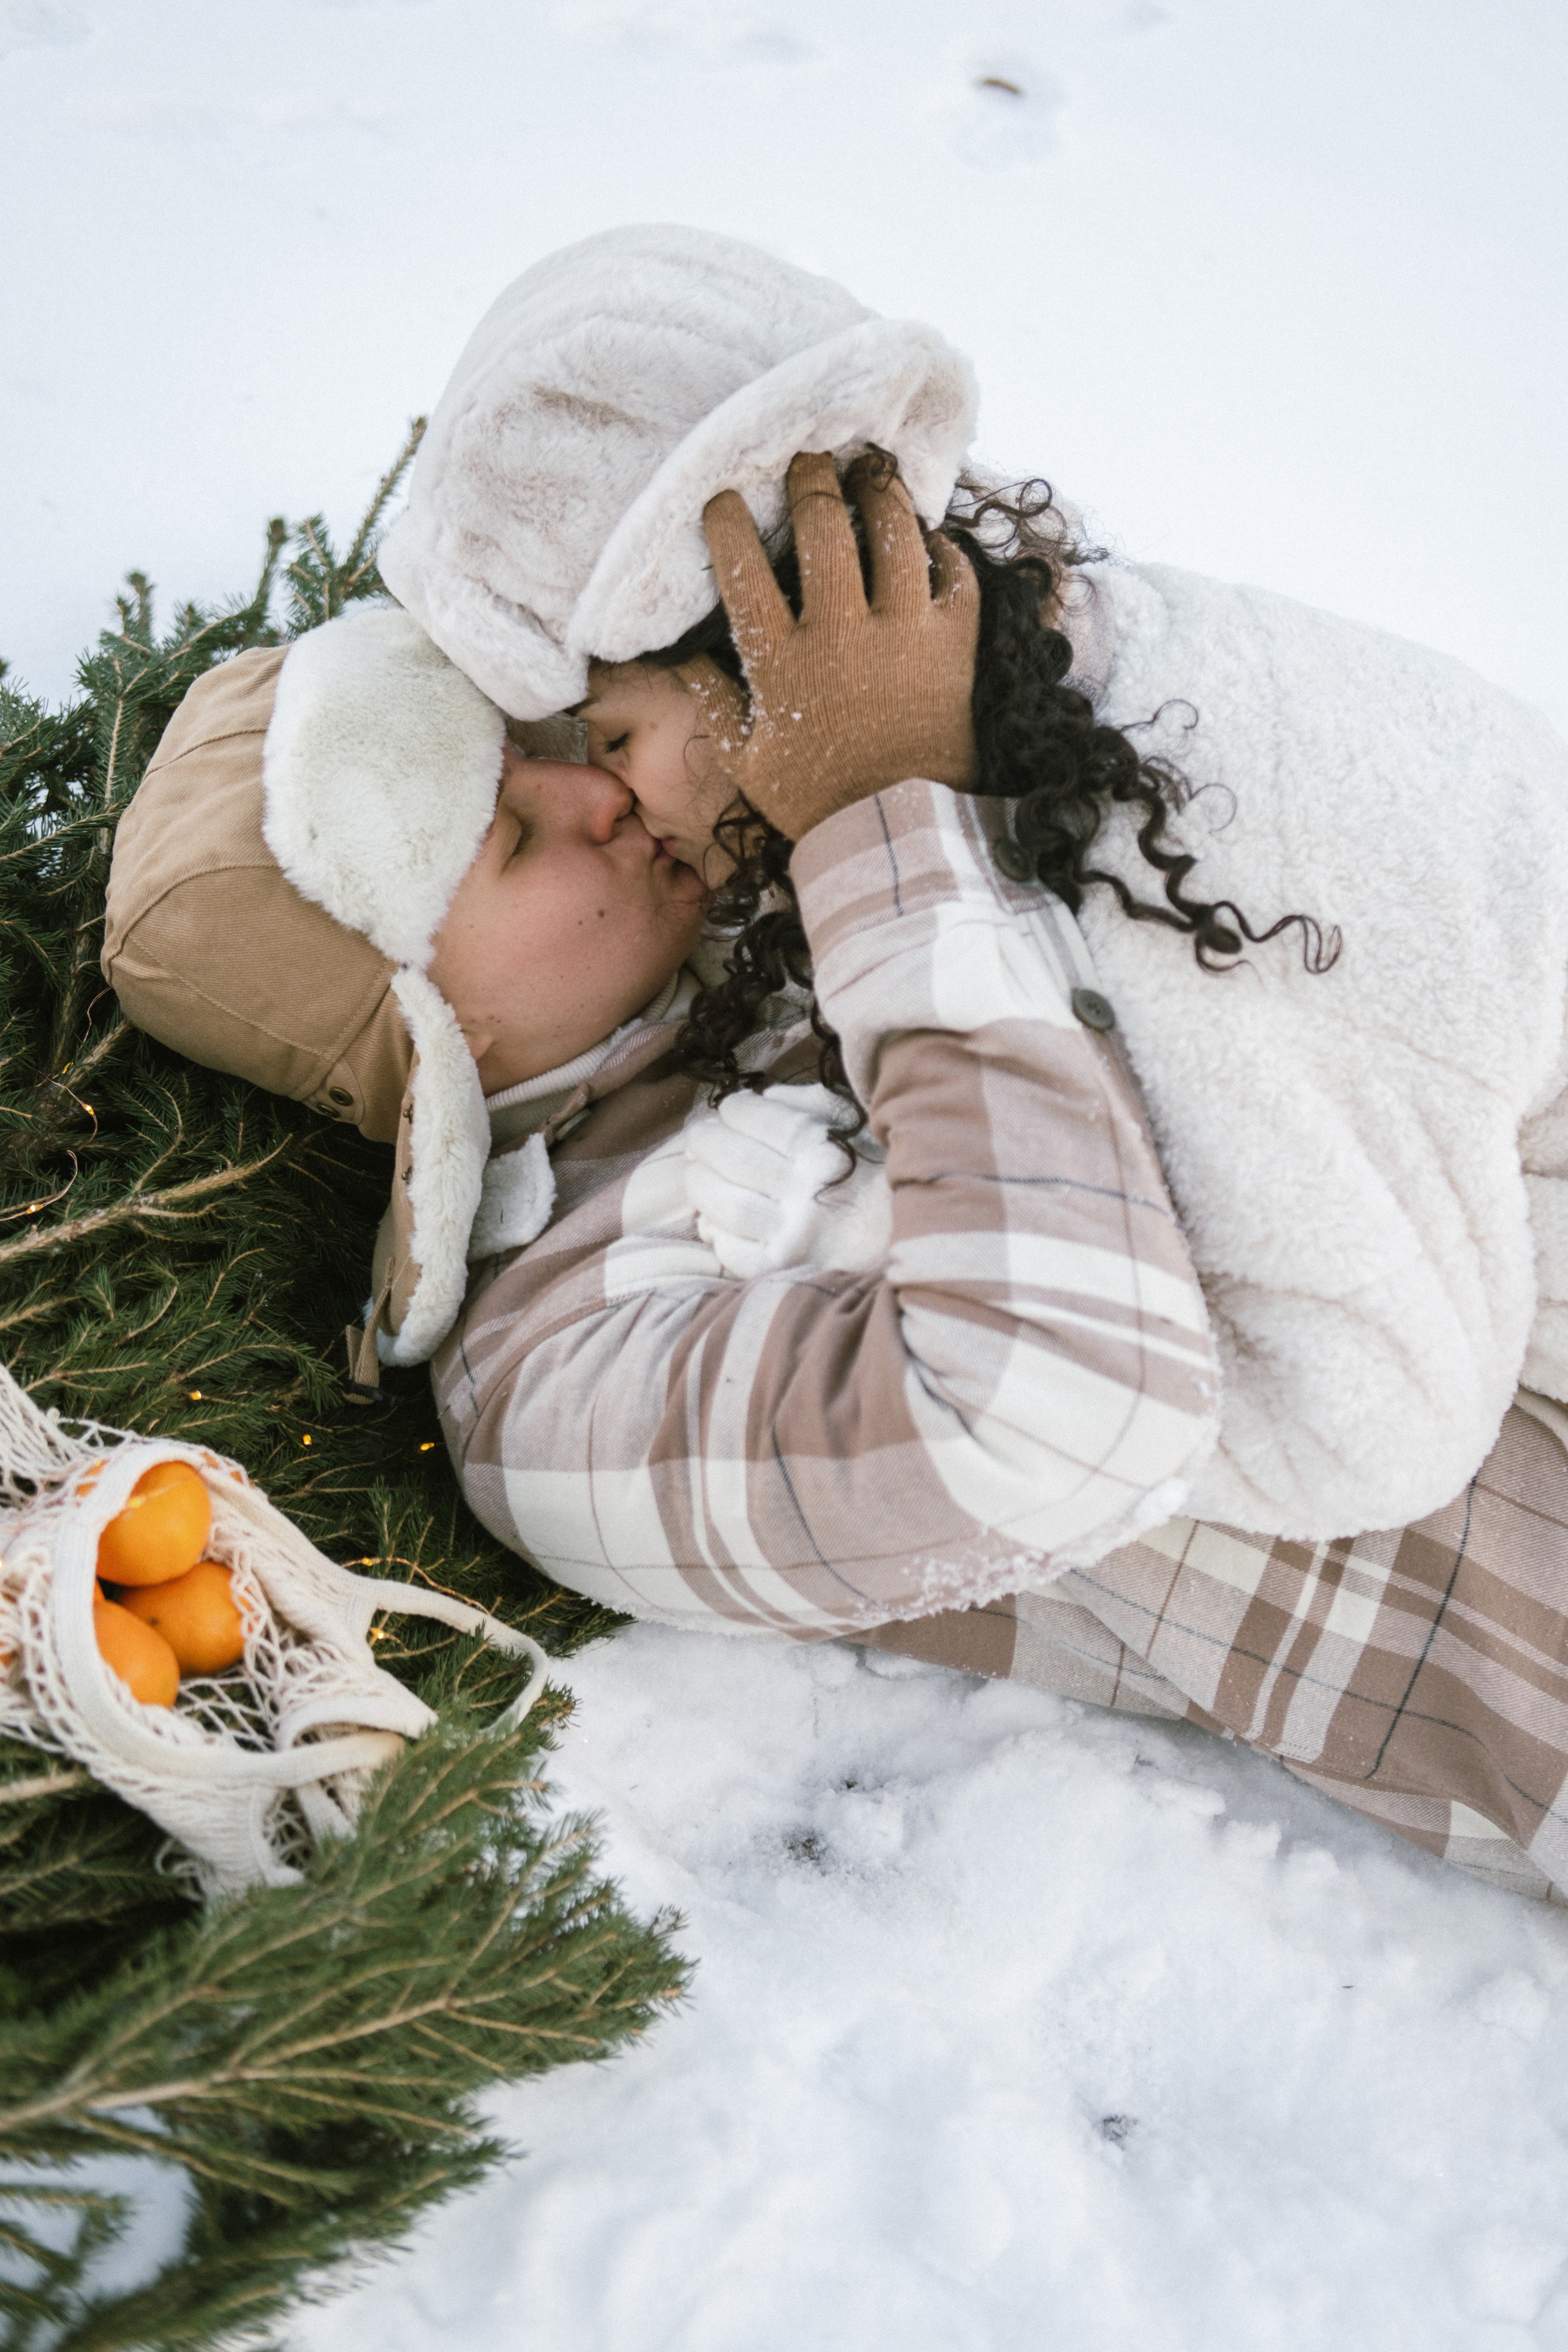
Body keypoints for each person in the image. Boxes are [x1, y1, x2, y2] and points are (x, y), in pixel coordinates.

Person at [379, 222, 1568, 1551]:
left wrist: (874, 841)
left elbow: (1356, 1434)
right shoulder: (1053, 671)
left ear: (764, 652)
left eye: (610, 739)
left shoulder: (1175, 857)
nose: (612, 801)